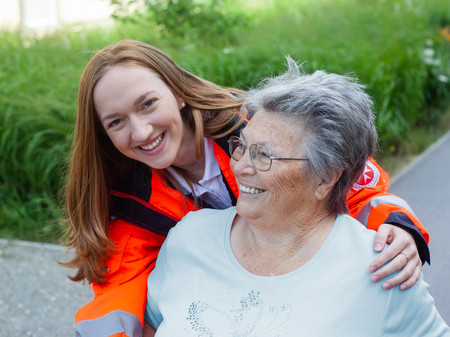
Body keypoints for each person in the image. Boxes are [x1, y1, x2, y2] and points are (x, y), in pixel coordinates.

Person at [62, 40, 430, 337]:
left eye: (148, 104)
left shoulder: (255, 125)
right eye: (116, 122)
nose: (141, 131)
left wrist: (398, 225)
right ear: (103, 135)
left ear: (177, 91)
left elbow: (349, 174)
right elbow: (119, 293)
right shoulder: (128, 202)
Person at [144, 60, 449, 336]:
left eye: (265, 156)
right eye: (242, 146)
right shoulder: (188, 238)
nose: (240, 165)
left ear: (326, 177)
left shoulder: (381, 269)